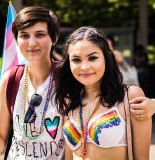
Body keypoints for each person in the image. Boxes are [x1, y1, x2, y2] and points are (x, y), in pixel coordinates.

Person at [54, 26, 151, 160]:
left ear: (107, 58)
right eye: (76, 60)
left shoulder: (130, 96)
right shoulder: (69, 100)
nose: (85, 67)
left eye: (92, 58)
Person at [0, 6, 64, 159]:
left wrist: (129, 99)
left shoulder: (68, 79)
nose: (32, 43)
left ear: (54, 38)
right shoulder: (10, 79)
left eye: (40, 34)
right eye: (24, 35)